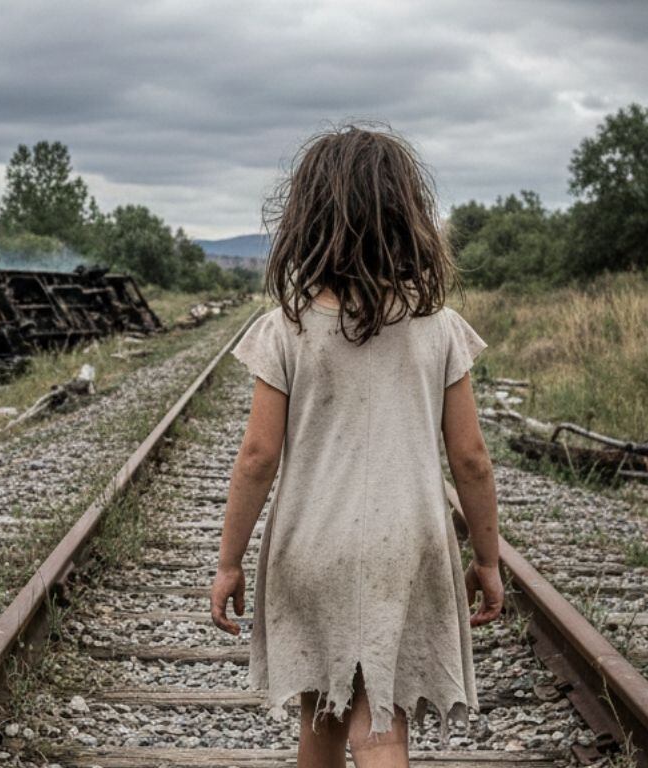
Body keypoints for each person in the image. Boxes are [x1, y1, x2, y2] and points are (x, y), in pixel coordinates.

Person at [209, 124, 504, 768]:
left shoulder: (286, 329)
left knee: (323, 715)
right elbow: (472, 458)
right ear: (410, 220)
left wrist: (229, 561)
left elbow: (257, 458)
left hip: (309, 547)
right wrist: (487, 558)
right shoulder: (441, 330)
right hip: (408, 545)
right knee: (381, 728)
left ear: (306, 224)